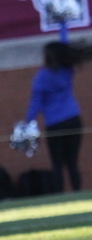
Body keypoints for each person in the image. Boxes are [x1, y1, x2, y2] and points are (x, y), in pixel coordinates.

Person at [24, 22, 92, 193]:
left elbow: (36, 103)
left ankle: (60, 196)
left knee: (57, 163)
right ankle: (78, 193)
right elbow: (65, 44)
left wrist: (27, 122)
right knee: (72, 161)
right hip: (74, 119)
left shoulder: (41, 77)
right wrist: (62, 25)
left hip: (55, 124)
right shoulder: (66, 70)